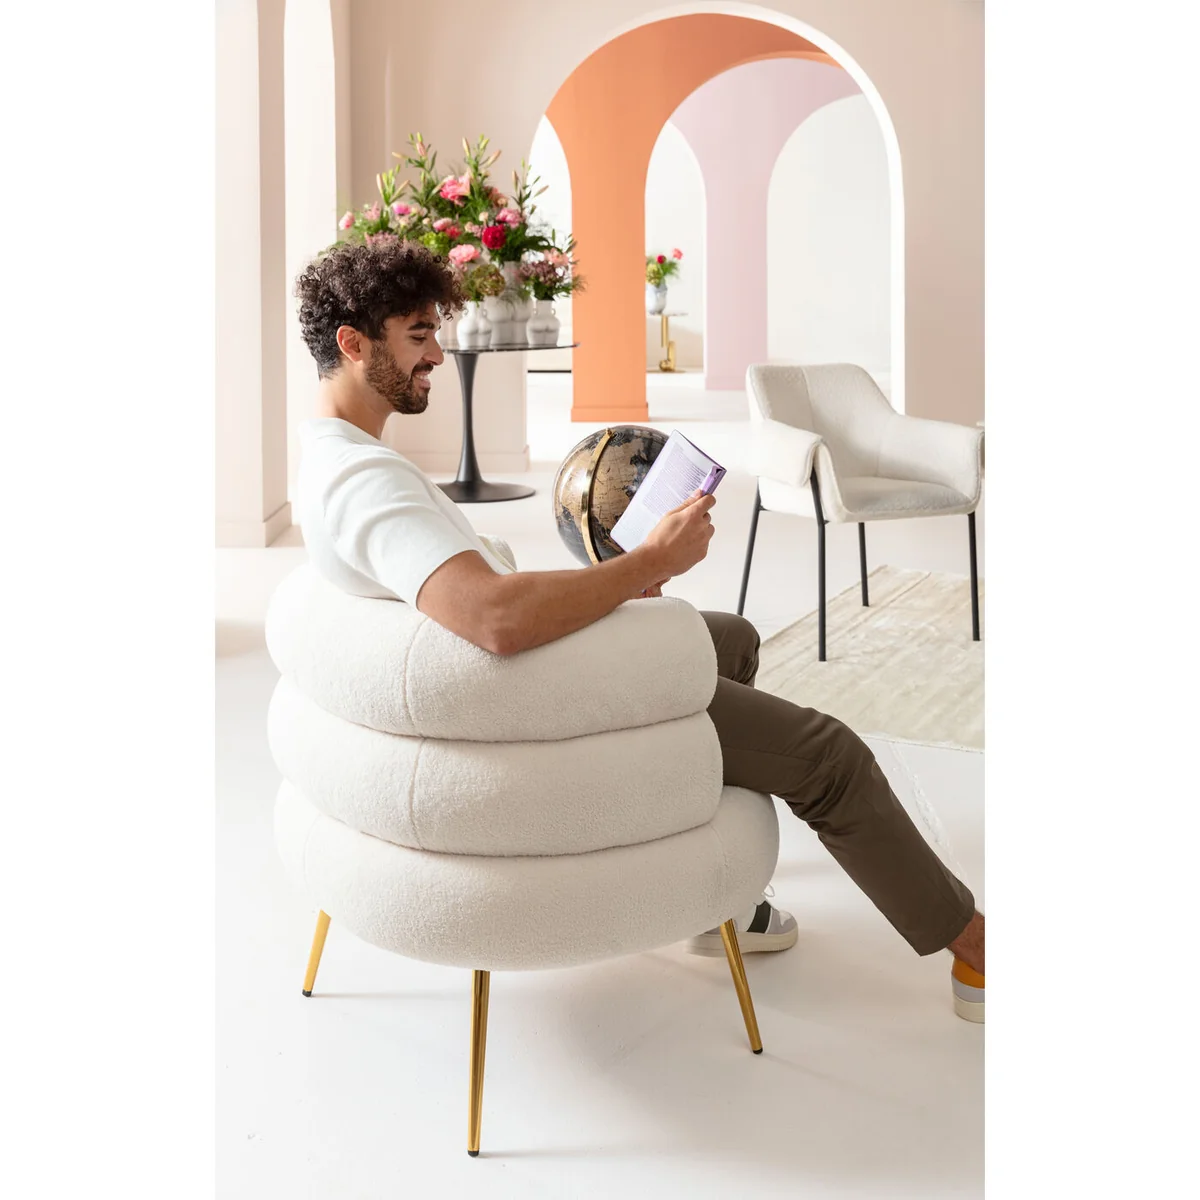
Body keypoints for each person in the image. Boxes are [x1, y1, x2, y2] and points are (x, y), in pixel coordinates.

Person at [292, 238, 986, 1024]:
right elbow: (493, 618)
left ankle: (716, 900)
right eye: (418, 336)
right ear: (354, 344)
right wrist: (650, 561)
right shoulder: (366, 484)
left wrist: (626, 583)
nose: (436, 357)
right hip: (527, 698)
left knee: (731, 639)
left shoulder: (334, 458)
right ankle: (977, 952)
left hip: (503, 682)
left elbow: (475, 596)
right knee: (829, 759)